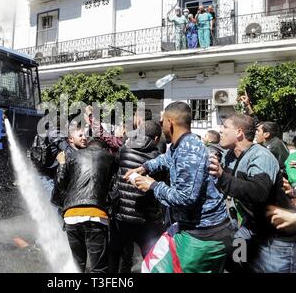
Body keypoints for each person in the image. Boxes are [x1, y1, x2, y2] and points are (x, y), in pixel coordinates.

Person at [125, 102, 231, 273]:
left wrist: (152, 185)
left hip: (203, 235)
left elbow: (185, 198)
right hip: (191, 228)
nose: (161, 126)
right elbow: (166, 159)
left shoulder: (189, 151)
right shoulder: (180, 145)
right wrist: (145, 167)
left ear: (170, 123)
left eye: (162, 122)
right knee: (150, 265)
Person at [209, 114, 296, 273]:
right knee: (236, 265)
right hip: (248, 230)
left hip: (276, 241)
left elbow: (258, 192)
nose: (221, 131)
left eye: (225, 127)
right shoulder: (230, 155)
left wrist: (222, 176)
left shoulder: (261, 156)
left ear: (239, 132)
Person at [51, 138, 116, 273]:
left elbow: (59, 189)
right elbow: (114, 190)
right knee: (98, 268)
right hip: (96, 216)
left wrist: (62, 165)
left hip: (71, 216)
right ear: (104, 149)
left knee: (77, 264)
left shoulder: (72, 156)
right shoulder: (110, 158)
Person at [108, 121, 165, 273]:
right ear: (157, 138)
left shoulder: (124, 149)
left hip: (121, 214)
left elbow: (114, 169)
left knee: (116, 253)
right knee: (151, 256)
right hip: (146, 218)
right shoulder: (158, 157)